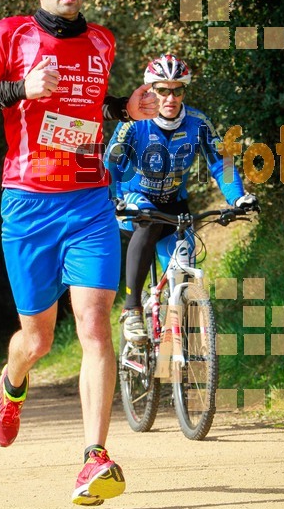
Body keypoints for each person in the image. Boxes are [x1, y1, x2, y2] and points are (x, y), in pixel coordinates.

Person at [0, 0, 159, 506]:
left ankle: (94, 458)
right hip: (28, 204)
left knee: (94, 326)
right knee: (36, 340)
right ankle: (11, 387)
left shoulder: (102, 41)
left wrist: (122, 109)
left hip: (90, 200)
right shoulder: (11, 36)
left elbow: (85, 111)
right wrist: (18, 90)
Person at [105, 53, 259, 343]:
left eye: (177, 90)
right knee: (149, 224)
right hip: (136, 200)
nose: (170, 97)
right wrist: (112, 198)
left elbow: (220, 163)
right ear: (151, 90)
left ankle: (181, 336)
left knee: (182, 265)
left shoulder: (198, 122)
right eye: (163, 90)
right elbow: (110, 163)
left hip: (175, 204)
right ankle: (132, 309)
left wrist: (238, 198)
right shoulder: (134, 123)